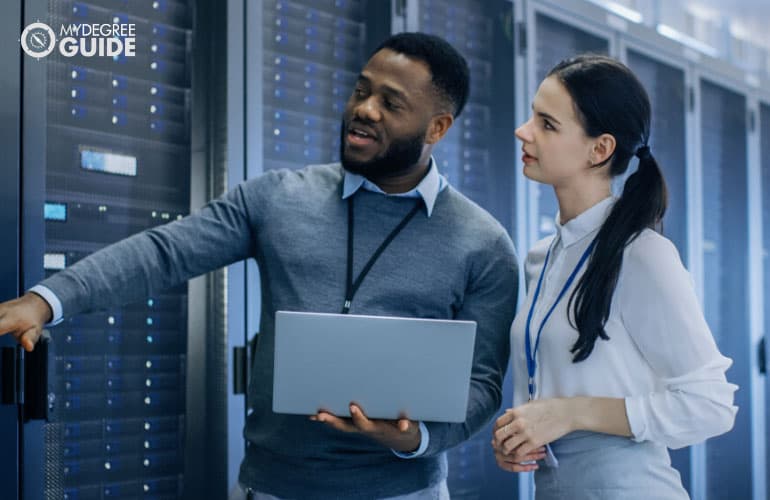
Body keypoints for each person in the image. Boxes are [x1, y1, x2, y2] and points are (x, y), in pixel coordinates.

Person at [0, 33, 519, 499]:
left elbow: (482, 385)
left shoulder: (483, 244)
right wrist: (47, 300)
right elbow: (164, 252)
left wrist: (416, 438)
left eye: (391, 103)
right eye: (361, 91)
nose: (365, 109)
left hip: (402, 493)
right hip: (269, 488)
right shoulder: (278, 199)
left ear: (438, 127)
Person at [491, 54, 737, 499]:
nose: (523, 131)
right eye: (532, 117)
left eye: (547, 124)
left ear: (599, 149)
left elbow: (711, 406)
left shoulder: (643, 257)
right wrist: (525, 435)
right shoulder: (540, 257)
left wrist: (572, 414)